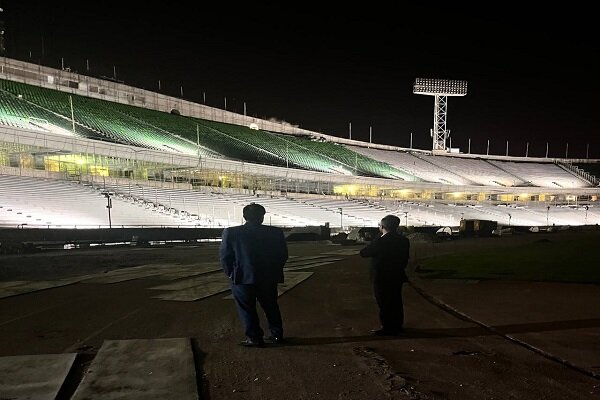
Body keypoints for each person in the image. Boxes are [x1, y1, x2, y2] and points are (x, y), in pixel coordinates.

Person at [219, 203, 288, 347]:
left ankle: (255, 338)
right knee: (271, 307)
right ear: (262, 217)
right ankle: (277, 335)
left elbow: (225, 257)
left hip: (242, 277)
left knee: (247, 309)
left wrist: (231, 273)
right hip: (268, 277)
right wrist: (274, 270)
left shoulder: (231, 232)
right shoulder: (275, 232)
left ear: (244, 217)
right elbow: (282, 255)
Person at [359, 214, 410, 336]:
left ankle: (387, 327)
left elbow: (364, 253)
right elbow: (405, 258)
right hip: (397, 275)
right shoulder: (403, 241)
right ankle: (397, 326)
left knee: (384, 303)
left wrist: (378, 237)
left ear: (382, 226)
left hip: (381, 277)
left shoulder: (380, 241)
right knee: (396, 301)